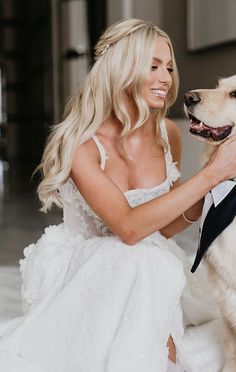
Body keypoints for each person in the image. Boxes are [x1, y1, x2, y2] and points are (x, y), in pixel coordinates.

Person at [0, 18, 236, 372]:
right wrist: (209, 176)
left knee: (151, 262)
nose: (166, 78)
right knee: (139, 259)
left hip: (149, 261)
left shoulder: (167, 133)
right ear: (121, 68)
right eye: (152, 66)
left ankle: (160, 354)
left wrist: (202, 199)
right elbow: (127, 228)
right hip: (90, 265)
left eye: (169, 67)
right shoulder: (81, 144)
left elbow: (163, 228)